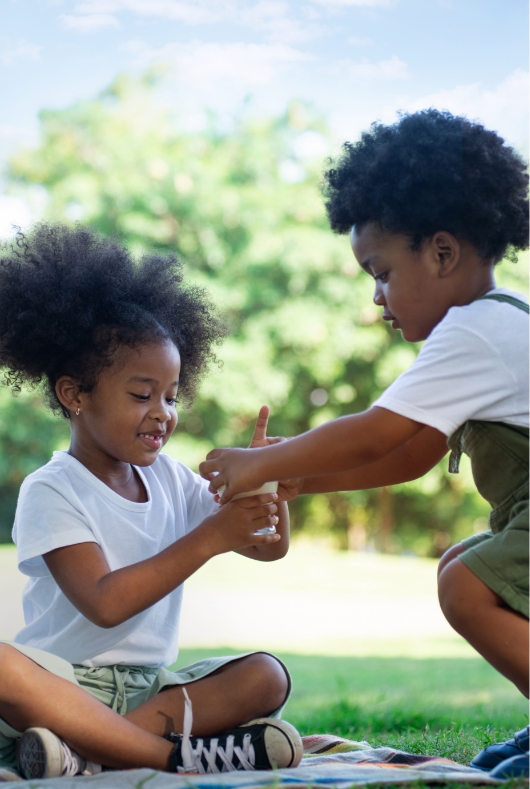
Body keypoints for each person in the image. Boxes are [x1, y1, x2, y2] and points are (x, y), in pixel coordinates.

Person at [200, 109, 529, 779]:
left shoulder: (475, 331)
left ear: (441, 253)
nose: (377, 298)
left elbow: (378, 429)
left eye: (380, 272)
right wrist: (302, 479)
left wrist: (262, 461)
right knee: (461, 562)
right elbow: (410, 454)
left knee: (467, 586)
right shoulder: (493, 324)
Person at [0, 224, 302, 780]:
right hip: (60, 687)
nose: (163, 411)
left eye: (171, 394)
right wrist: (211, 537)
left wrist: (266, 482)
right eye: (142, 395)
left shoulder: (171, 479)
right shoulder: (52, 488)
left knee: (266, 675)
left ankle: (87, 755)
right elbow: (105, 603)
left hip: (151, 695)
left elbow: (268, 547)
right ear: (75, 394)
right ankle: (171, 759)